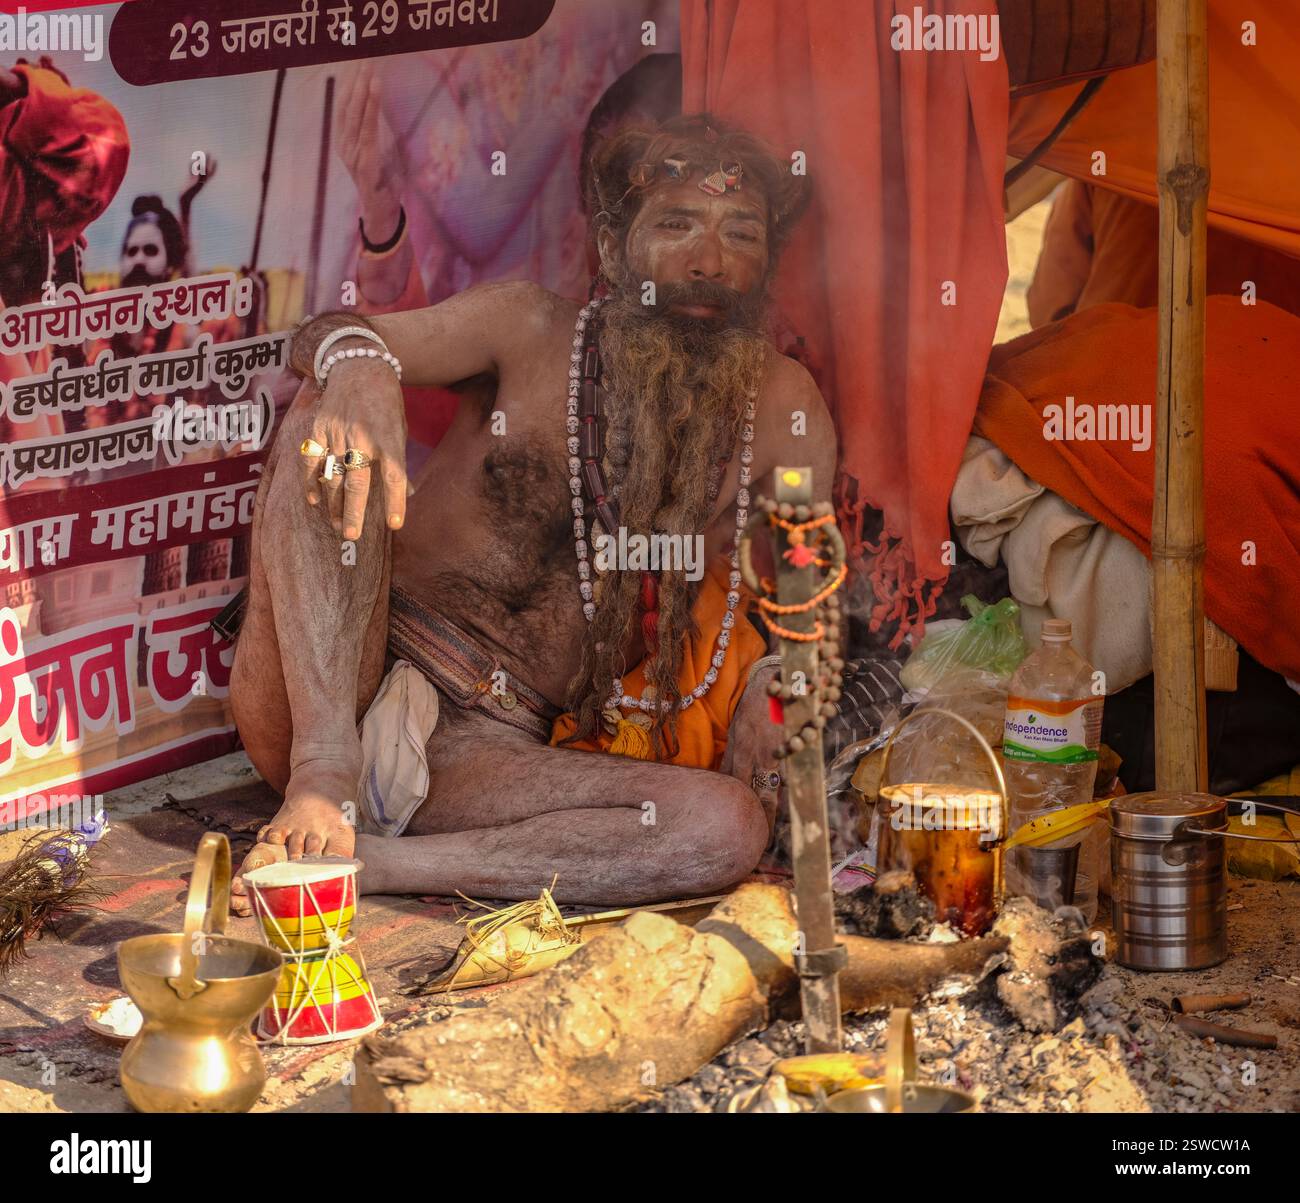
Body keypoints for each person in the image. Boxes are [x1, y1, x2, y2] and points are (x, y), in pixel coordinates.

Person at [229, 115, 837, 911]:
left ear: (765, 267)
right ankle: (322, 782)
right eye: (677, 225)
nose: (708, 261)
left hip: (484, 755)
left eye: (741, 232)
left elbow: (802, 612)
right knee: (326, 413)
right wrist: (361, 367)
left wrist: (775, 687)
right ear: (615, 249)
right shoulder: (526, 327)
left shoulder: (785, 409)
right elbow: (327, 333)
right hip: (340, 676)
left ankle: (370, 866)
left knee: (723, 826)